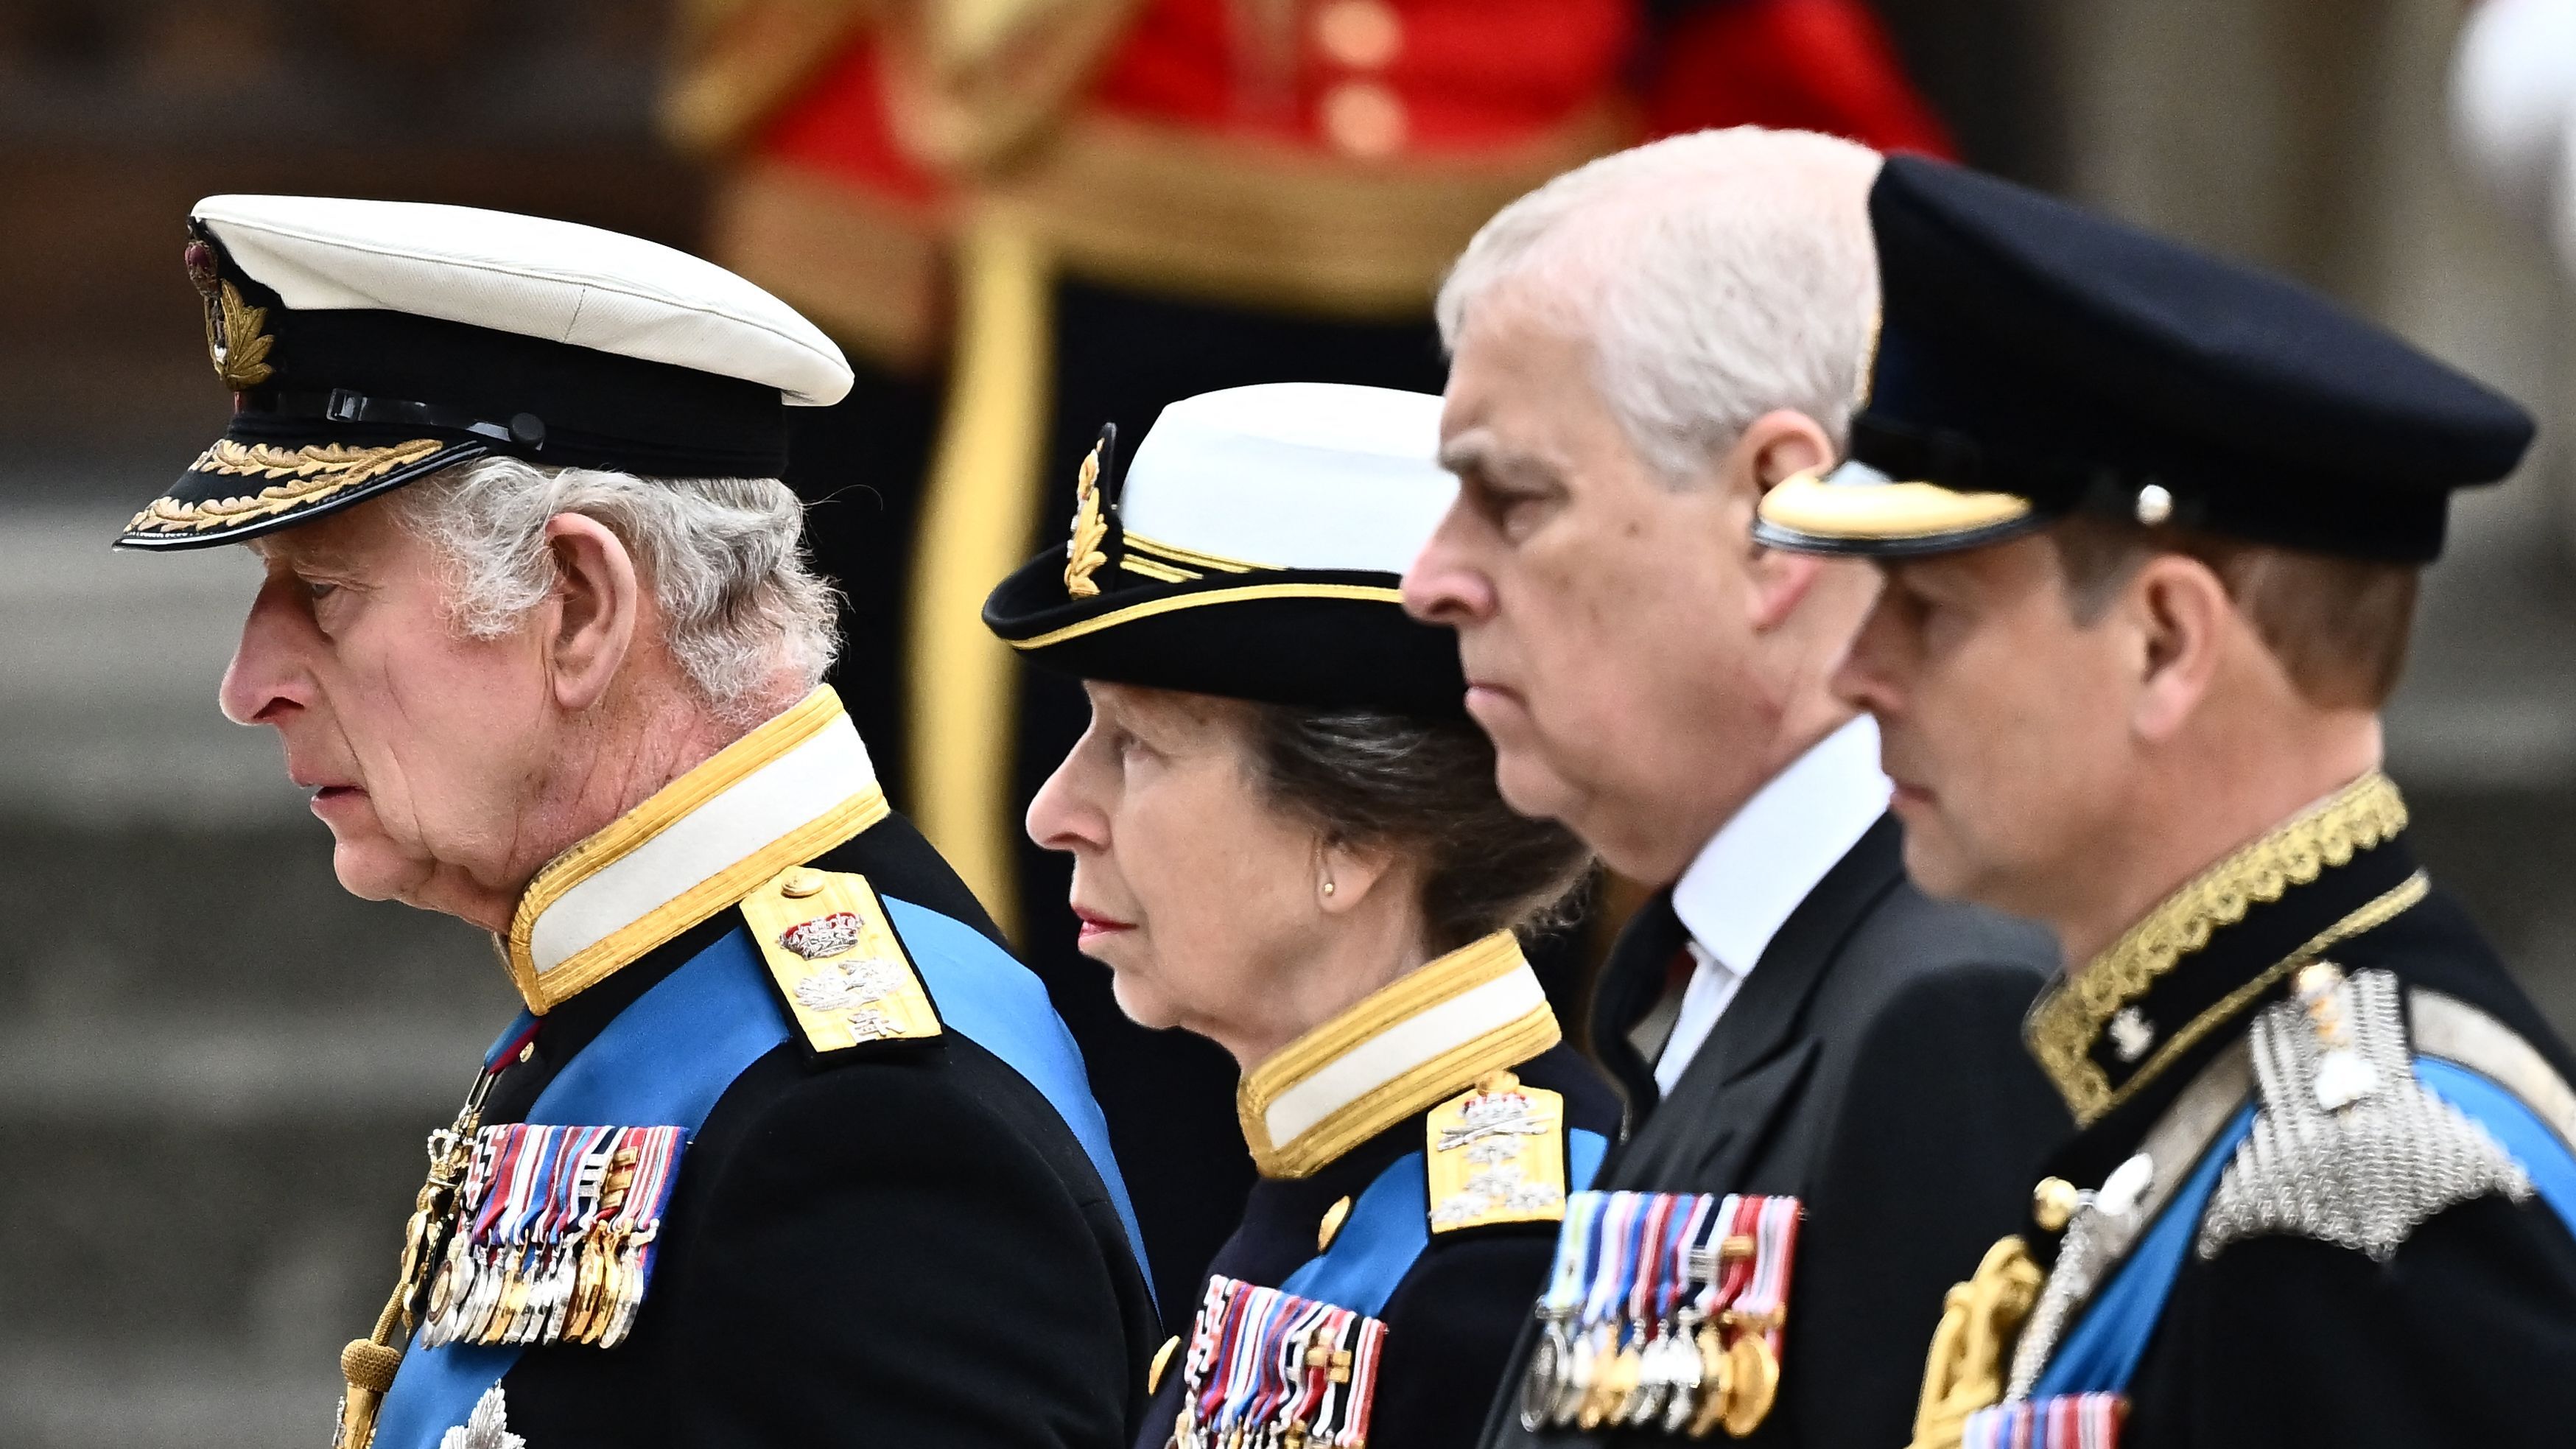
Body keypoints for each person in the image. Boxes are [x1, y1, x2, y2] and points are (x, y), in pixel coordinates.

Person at [661, 0, 1961, 1316]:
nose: (1461, 584)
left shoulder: (1909, 1012)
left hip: (1517, 174)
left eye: (1504, 524)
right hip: (1101, 178)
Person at [119, 195, 1156, 1448]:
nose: (249, 688)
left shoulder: (863, 1127)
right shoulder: (671, 989)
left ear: (578, 602)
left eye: (325, 594)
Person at [1752, 154, 2576, 1449]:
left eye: (1927, 610)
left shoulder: (2356, 1213)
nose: (1856, 675)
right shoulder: (2219, 1107)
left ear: (2163, 645)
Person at [1400, 129, 2069, 1448]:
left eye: (1514, 499)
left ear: (1778, 510)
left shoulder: (1947, 1010)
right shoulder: (1728, 966)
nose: (1433, 579)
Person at [983, 382, 1619, 1449]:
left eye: (1136, 747)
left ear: (1355, 831)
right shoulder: (1336, 1176)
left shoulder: (1502, 1264)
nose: (1055, 813)